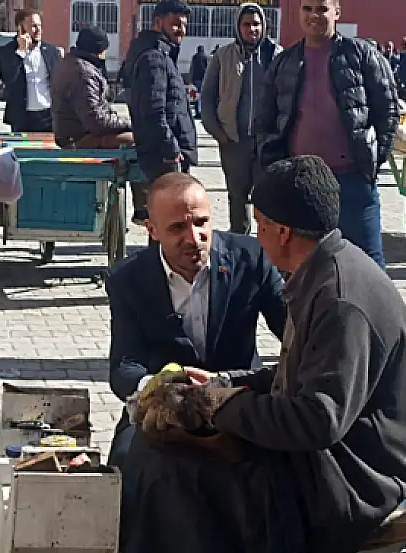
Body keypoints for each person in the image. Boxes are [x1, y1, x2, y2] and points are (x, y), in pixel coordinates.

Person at [108, 156, 406, 553]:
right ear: (152, 230)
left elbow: (316, 420)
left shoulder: (339, 298)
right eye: (178, 226)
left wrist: (218, 406)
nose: (199, 237)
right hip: (333, 450)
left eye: (258, 222)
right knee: (158, 458)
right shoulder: (325, 271)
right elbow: (294, 374)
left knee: (189, 475)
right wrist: (224, 386)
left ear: (281, 232)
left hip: (358, 474)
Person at [105, 172, 286, 467]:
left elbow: (292, 330)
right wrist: (158, 387)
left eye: (201, 223)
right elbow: (124, 367)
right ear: (152, 230)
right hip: (166, 408)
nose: (193, 238)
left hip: (239, 399)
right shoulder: (127, 279)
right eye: (177, 228)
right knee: (124, 466)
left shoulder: (252, 258)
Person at [258, 0, 398, 269]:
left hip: (352, 182)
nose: (314, 16)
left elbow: (388, 112)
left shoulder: (361, 55)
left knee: (368, 264)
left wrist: (369, 163)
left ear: (336, 11)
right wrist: (275, 168)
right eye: (307, 9)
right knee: (302, 267)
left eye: (321, 8)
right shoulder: (284, 62)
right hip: (302, 185)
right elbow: (265, 121)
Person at [201, 2, 280, 235]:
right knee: (237, 197)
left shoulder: (275, 56)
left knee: (268, 197)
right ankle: (240, 245)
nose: (252, 29)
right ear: (238, 27)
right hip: (234, 142)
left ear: (264, 26)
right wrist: (218, 132)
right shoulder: (223, 56)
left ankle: (269, 248)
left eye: (256, 24)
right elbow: (207, 97)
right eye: (247, 24)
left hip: (267, 142)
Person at [121, 0, 198, 185]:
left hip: (166, 154)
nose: (181, 30)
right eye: (176, 24)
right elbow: (153, 112)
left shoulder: (162, 55)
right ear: (157, 23)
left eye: (184, 25)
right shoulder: (153, 58)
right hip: (164, 158)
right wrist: (171, 150)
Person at [53, 26, 132, 149]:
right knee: (139, 140)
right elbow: (95, 120)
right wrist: (129, 123)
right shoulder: (84, 73)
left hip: (74, 134)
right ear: (100, 51)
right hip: (79, 138)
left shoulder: (73, 63)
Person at [0, 9, 61, 134]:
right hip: (22, 116)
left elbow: (59, 82)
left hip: (48, 115)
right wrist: (21, 52)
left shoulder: (51, 51)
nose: (38, 30)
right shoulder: (6, 52)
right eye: (34, 26)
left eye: (40, 26)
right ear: (21, 28)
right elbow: (8, 79)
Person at [190, 45, 208, 119]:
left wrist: (191, 78)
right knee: (203, 96)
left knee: (195, 96)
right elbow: (207, 68)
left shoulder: (194, 57)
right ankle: (202, 112)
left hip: (195, 79)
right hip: (203, 78)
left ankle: (197, 111)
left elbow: (192, 68)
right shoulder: (205, 57)